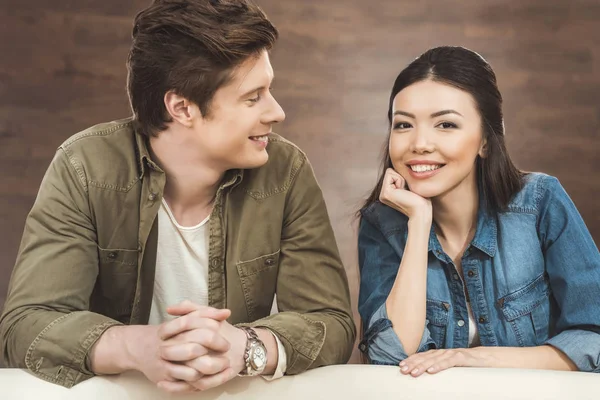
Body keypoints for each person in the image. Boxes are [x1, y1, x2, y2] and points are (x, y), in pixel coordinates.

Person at [0, 0, 355, 392]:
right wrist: (139, 346)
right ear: (182, 107)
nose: (277, 112)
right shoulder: (84, 168)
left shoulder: (286, 172)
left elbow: (332, 322)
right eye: (253, 97)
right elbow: (25, 326)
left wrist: (245, 347)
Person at [357, 46, 600, 376]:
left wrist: (477, 358)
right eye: (403, 125)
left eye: (445, 124)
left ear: (485, 140)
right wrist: (418, 223)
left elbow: (594, 337)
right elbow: (389, 355)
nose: (419, 143)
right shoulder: (381, 223)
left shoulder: (540, 202)